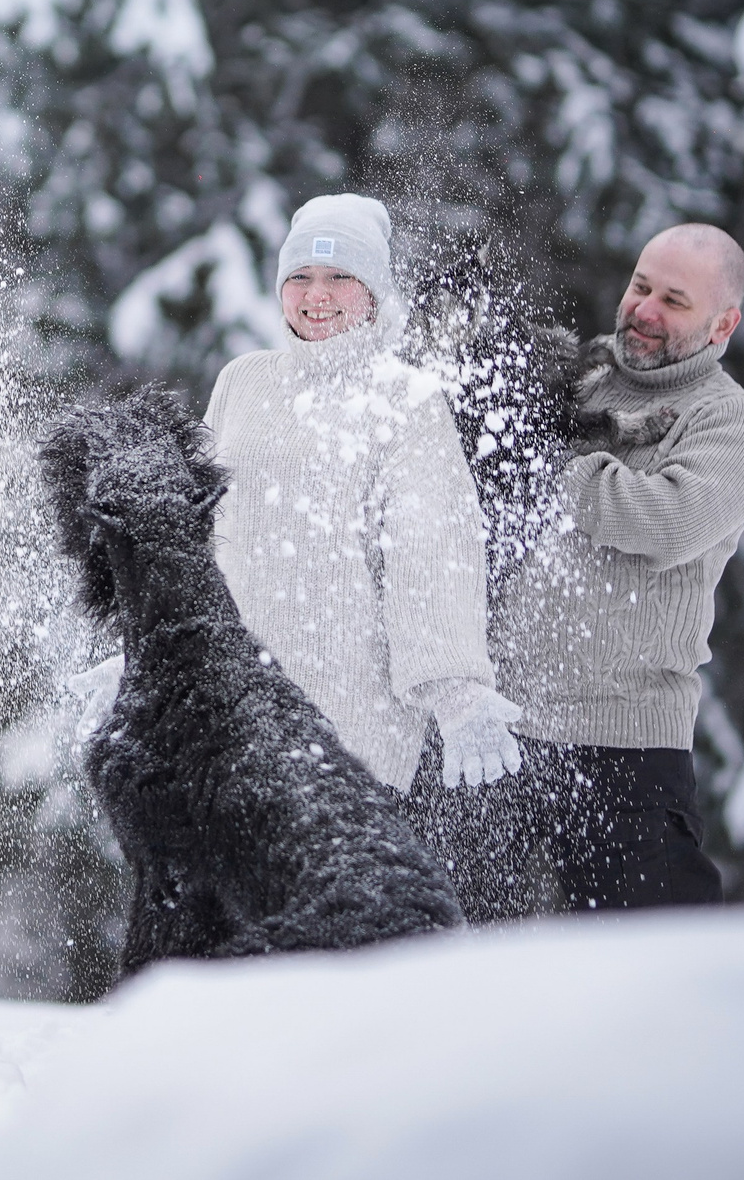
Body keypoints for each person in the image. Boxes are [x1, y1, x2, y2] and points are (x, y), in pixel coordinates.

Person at [421, 223, 744, 916]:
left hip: (624, 747)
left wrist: (541, 461)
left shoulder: (731, 422)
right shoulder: (575, 376)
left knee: (654, 973)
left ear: (723, 322)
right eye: (641, 287)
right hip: (499, 736)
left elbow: (663, 520)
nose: (644, 310)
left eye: (674, 301)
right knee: (460, 963)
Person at [204, 193, 519, 800]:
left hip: (351, 728)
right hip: (233, 716)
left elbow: (430, 551)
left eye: (339, 277)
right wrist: (148, 653)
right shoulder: (242, 382)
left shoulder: (405, 400)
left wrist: (453, 690)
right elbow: (202, 532)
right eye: (300, 277)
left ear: (373, 292)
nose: (316, 295)